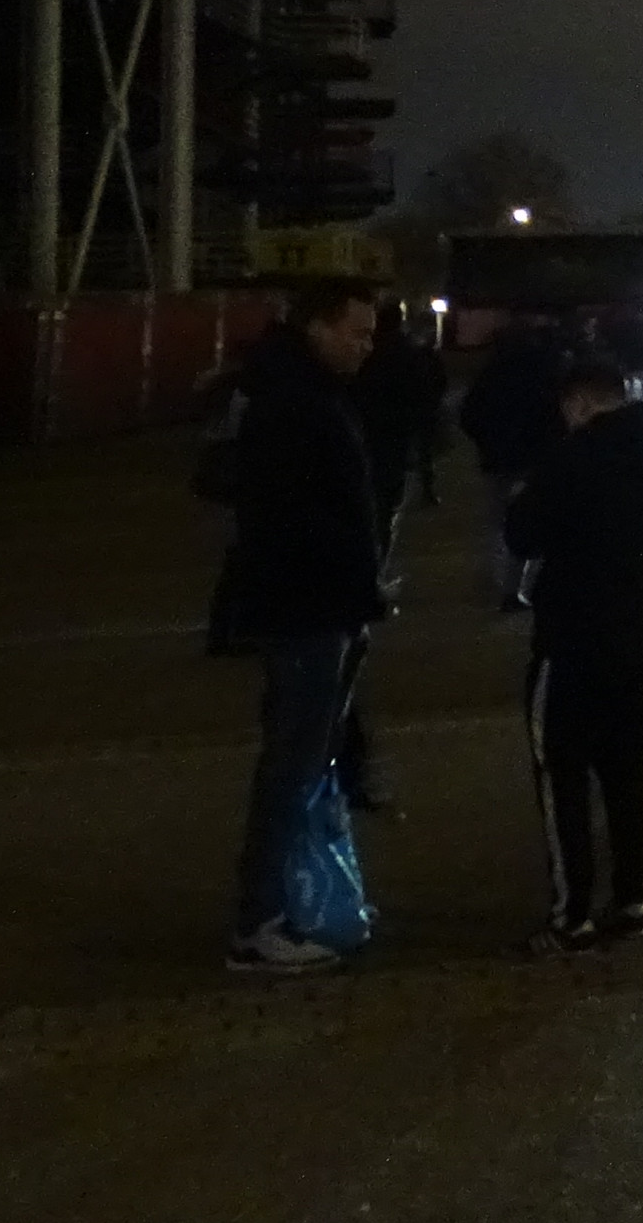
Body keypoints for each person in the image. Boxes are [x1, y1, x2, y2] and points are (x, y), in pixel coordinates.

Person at [505, 352, 643, 952]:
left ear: (578, 402)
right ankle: (631, 897)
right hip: (637, 625)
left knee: (561, 768)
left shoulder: (572, 457)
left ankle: (573, 914)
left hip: (571, 631)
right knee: (624, 766)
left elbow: (522, 534)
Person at [218, 280, 386, 975]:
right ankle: (259, 923)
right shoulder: (296, 401)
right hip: (306, 610)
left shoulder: (296, 390)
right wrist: (355, 582)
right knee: (293, 766)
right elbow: (296, 517)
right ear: (317, 326)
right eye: (356, 332)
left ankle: (287, 902)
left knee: (300, 763)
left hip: (310, 604)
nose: (365, 347)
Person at [457, 319, 568, 610]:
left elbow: (469, 416)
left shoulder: (489, 375)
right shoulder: (544, 373)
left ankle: (493, 577)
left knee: (497, 521)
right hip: (533, 460)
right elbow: (556, 418)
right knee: (528, 521)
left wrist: (486, 441)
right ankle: (514, 586)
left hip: (497, 459)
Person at [354, 298, 446, 564]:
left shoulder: (366, 351)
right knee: (386, 499)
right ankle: (378, 556)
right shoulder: (407, 353)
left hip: (366, 429)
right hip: (395, 432)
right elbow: (423, 389)